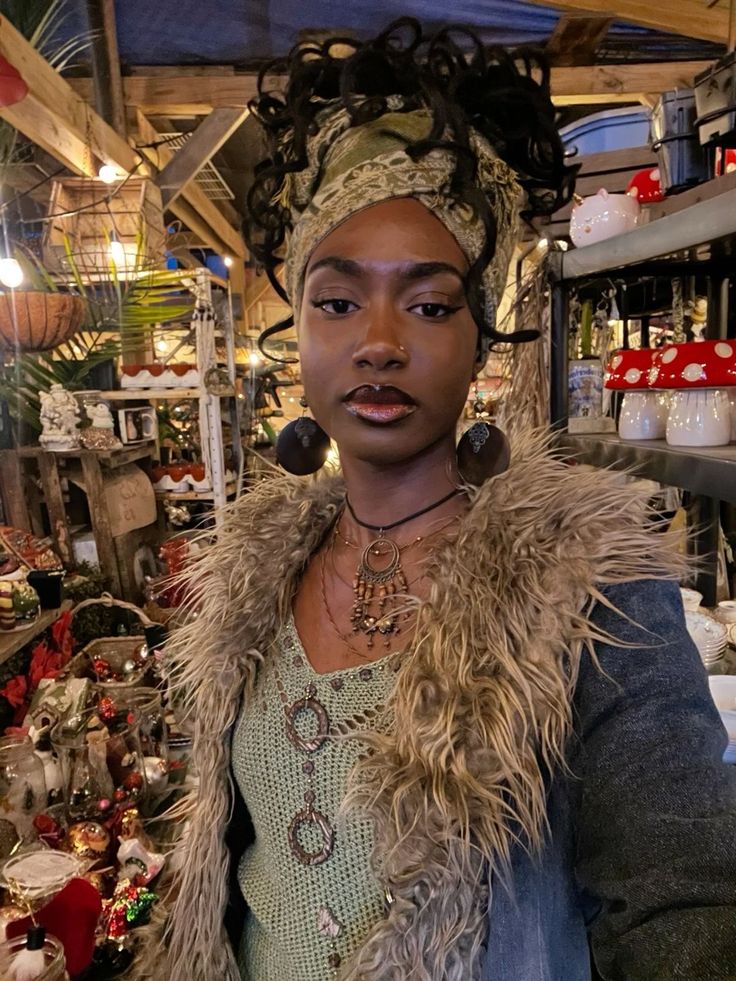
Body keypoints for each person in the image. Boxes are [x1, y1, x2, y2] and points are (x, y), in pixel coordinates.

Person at [140, 19, 736, 981]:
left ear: (481, 335)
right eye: (338, 302)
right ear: (300, 331)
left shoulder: (587, 591)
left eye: (427, 303)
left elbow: (679, 896)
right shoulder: (255, 579)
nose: (379, 341)